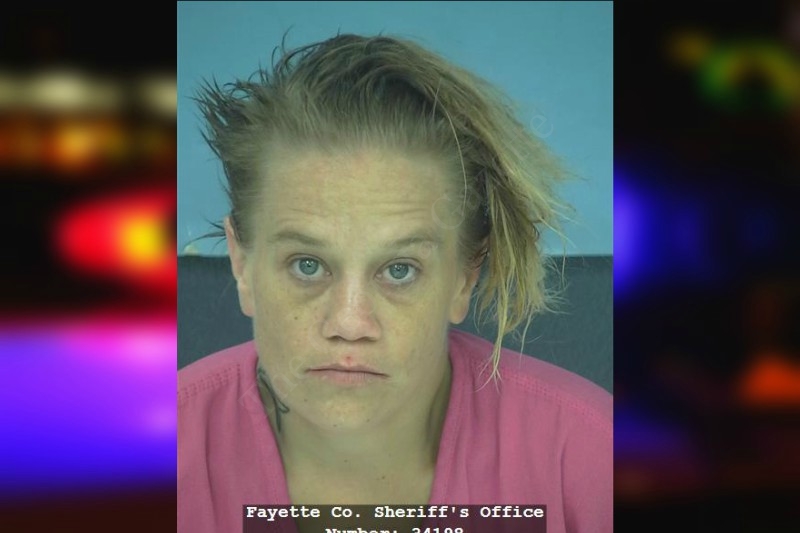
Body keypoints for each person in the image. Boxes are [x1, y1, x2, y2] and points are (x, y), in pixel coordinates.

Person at [178, 33, 612, 533]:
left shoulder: (590, 458)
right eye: (307, 265)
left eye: (399, 270)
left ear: (463, 279)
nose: (349, 324)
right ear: (241, 264)